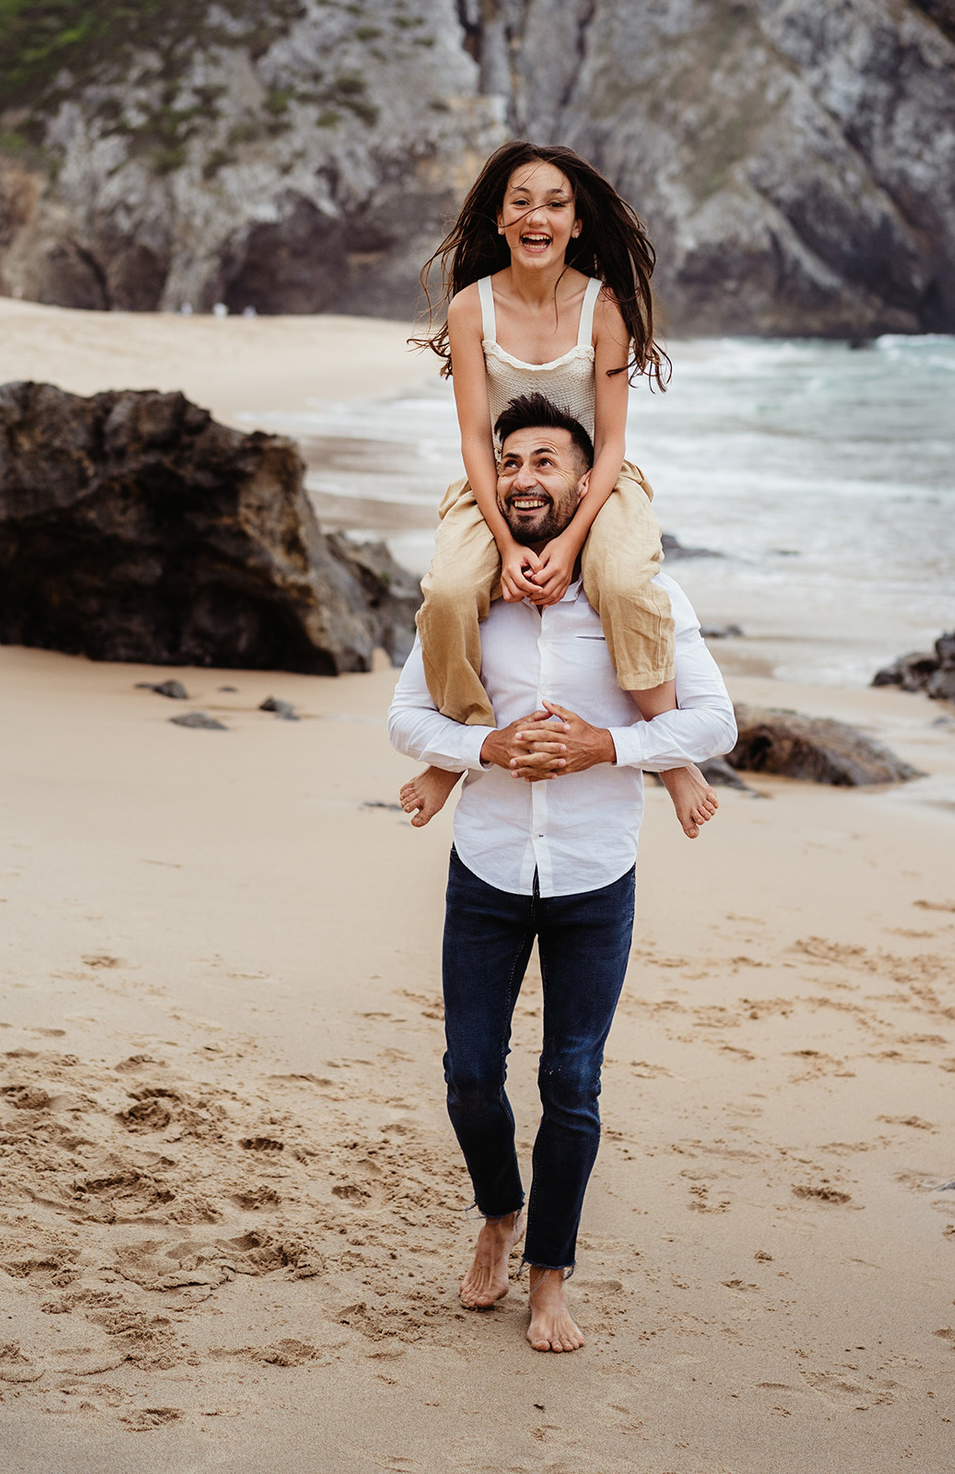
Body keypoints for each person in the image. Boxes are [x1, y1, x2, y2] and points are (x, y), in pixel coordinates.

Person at [388, 395, 737, 1352]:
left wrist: (608, 747)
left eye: (548, 461)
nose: (526, 477)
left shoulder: (644, 597)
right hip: (488, 870)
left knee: (571, 1082)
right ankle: (498, 1213)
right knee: (469, 1075)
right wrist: (485, 746)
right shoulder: (468, 602)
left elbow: (714, 722)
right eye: (511, 463)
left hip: (593, 873)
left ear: (588, 485)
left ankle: (549, 1279)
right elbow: (405, 713)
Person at [405, 140, 719, 841]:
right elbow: (471, 441)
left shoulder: (604, 307)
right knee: (452, 591)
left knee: (626, 585)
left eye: (554, 203)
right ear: (498, 219)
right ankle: (459, 750)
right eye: (520, 202)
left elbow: (611, 445)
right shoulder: (469, 309)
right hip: (501, 481)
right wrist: (509, 541)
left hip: (594, 485)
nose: (536, 215)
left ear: (577, 224)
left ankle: (669, 752)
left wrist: (574, 538)